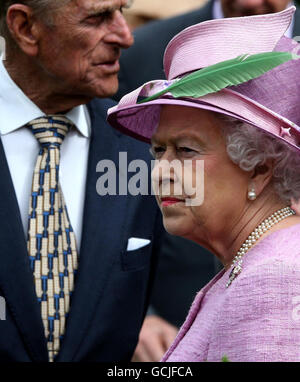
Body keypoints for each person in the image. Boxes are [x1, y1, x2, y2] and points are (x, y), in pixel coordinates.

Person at [108, 7, 300, 361]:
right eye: (158, 150)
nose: (161, 172)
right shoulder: (250, 260)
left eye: (185, 150)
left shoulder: (273, 278)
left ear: (259, 166)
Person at [0, 0, 165, 362]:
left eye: (123, 11)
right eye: (97, 18)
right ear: (26, 28)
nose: (125, 36)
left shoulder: (144, 146)